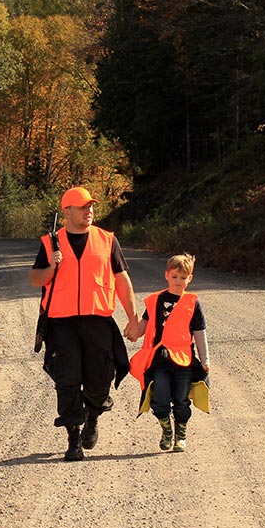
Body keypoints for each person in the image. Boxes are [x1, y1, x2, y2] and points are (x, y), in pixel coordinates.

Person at [29, 186, 140, 462]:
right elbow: (36, 279)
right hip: (61, 325)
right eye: (82, 207)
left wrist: (133, 318)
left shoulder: (107, 240)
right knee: (67, 380)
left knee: (99, 379)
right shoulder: (50, 243)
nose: (89, 211)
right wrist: (52, 267)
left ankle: (93, 416)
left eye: (91, 206)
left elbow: (122, 280)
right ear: (67, 211)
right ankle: (73, 438)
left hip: (97, 322)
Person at [128, 253, 211, 452]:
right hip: (160, 359)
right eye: (174, 277)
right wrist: (134, 331)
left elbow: (199, 333)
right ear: (167, 275)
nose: (178, 281)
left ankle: (180, 434)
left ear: (190, 278)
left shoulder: (192, 303)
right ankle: (166, 429)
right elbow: (145, 325)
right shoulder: (157, 300)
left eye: (183, 278)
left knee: (181, 399)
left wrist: (205, 359)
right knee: (161, 396)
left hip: (184, 361)